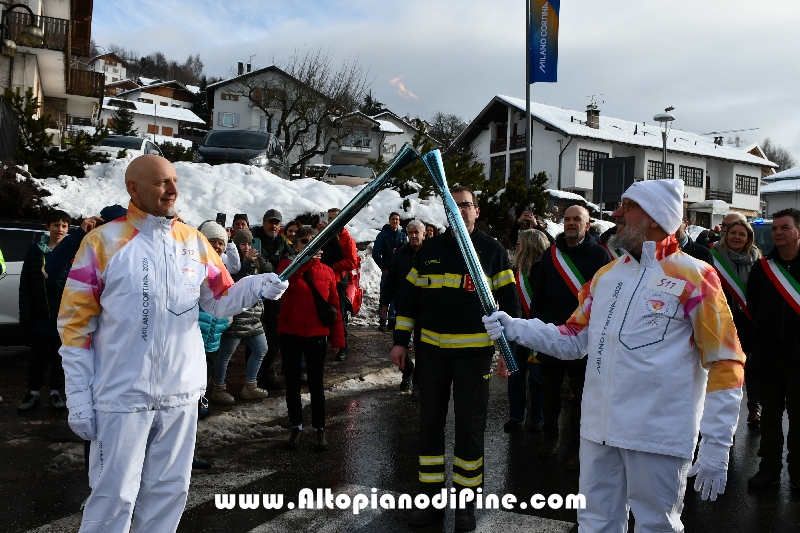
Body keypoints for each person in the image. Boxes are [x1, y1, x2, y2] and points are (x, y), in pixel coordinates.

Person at [484, 179, 745, 532]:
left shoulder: (696, 277)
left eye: (628, 207)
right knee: (596, 522)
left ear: (655, 218)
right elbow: (574, 338)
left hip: (657, 433)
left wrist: (717, 444)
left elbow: (726, 361)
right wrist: (516, 328)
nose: (617, 214)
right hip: (599, 429)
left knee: (656, 525)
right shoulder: (606, 276)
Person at [58, 155, 288, 533]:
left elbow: (218, 299)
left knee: (169, 491)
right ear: (133, 188)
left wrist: (253, 286)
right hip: (122, 395)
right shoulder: (101, 243)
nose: (173, 190)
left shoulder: (192, 240)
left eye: (175, 181)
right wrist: (79, 395)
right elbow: (75, 327)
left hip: (180, 392)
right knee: (113, 495)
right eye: (161, 182)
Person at [390, 187, 520, 531]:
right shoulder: (429, 250)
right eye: (453, 206)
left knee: (469, 429)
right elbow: (409, 300)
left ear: (476, 211)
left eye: (466, 205)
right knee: (429, 425)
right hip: (431, 356)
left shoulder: (492, 252)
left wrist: (508, 353)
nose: (460, 211)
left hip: (474, 359)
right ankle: (428, 501)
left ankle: (465, 505)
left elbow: (510, 305)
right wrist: (400, 341)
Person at [529, 205, 610, 470]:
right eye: (567, 219)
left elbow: (606, 299)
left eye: (577, 219)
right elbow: (538, 296)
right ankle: (550, 437)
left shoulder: (600, 256)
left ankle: (575, 447)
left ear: (587, 226)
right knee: (549, 395)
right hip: (553, 337)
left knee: (581, 399)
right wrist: (535, 332)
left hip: (584, 340)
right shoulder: (550, 255)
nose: (571, 223)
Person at [745, 208, 800, 490]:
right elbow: (752, 307)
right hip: (769, 358)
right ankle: (769, 469)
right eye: (776, 228)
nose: (778, 232)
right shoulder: (763, 269)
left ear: (798, 232)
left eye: (785, 228)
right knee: (770, 418)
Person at [278, 227, 345, 451]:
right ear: (295, 246)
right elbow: (288, 281)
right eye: (305, 242)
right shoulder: (286, 266)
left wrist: (339, 339)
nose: (310, 246)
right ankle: (296, 426)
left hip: (316, 334)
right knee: (293, 383)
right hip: (291, 333)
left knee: (316, 384)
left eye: (314, 242)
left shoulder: (327, 272)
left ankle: (319, 430)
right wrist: (304, 260)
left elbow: (334, 306)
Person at [211, 228, 272, 404]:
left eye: (249, 243)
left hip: (253, 317)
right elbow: (236, 282)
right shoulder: (232, 262)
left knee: (261, 350)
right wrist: (246, 263)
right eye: (242, 243)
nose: (246, 247)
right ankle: (218, 388)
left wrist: (257, 260)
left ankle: (250, 386)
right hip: (237, 317)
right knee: (225, 355)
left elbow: (269, 272)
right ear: (236, 245)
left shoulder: (255, 261)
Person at [17, 210, 71, 412]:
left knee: (60, 357)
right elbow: (26, 285)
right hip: (41, 314)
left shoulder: (72, 252)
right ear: (47, 227)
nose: (60, 229)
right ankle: (34, 392)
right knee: (37, 356)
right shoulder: (35, 251)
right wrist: (26, 316)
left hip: (63, 315)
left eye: (64, 226)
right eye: (56, 225)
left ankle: (55, 393)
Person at [711, 219, 761, 425]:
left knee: (751, 369)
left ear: (749, 238)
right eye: (733, 232)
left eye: (742, 234)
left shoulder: (757, 260)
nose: (736, 237)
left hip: (748, 321)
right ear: (726, 233)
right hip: (721, 320)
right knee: (723, 367)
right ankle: (722, 413)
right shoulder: (713, 257)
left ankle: (754, 409)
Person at [504, 228, 550, 433]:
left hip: (538, 330)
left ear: (530, 245)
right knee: (516, 374)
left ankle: (538, 418)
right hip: (517, 329)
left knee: (537, 378)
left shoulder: (545, 269)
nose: (516, 247)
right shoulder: (516, 270)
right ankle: (516, 415)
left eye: (520, 244)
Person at [379, 219, 425, 395]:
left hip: (424, 307)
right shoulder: (400, 254)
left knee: (422, 347)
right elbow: (390, 280)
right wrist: (385, 302)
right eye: (410, 232)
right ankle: (407, 371)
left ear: (423, 234)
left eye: (416, 232)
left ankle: (418, 382)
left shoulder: (430, 253)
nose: (413, 236)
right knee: (400, 344)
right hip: (403, 306)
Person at [252, 209, 296, 389]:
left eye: (277, 223)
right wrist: (277, 267)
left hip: (275, 295)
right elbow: (261, 264)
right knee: (255, 336)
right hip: (257, 294)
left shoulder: (281, 241)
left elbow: (293, 258)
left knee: (273, 336)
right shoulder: (255, 238)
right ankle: (253, 377)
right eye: (271, 222)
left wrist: (281, 265)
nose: (274, 226)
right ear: (263, 223)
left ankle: (267, 374)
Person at [327, 207, 358, 361]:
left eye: (335, 218)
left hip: (339, 281)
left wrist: (333, 267)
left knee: (339, 314)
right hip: (324, 279)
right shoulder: (325, 235)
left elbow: (352, 262)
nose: (332, 221)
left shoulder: (348, 239)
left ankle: (343, 346)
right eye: (330, 218)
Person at [373, 212, 408, 331]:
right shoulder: (382, 235)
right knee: (385, 294)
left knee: (397, 294)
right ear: (389, 220)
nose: (395, 221)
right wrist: (384, 267)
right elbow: (376, 253)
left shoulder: (402, 235)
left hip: (400, 271)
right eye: (393, 219)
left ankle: (392, 320)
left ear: (399, 221)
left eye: (397, 219)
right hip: (388, 270)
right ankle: (382, 320)